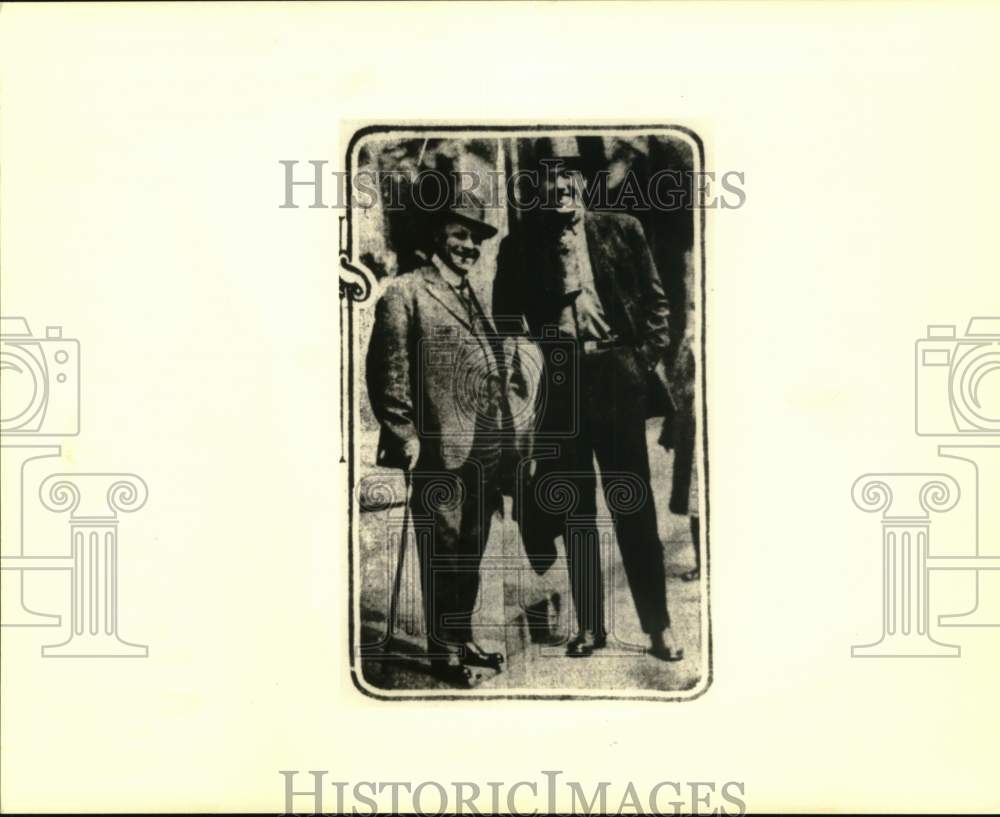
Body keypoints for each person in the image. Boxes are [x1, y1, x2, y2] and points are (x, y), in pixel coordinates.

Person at [494, 141, 684, 662]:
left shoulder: (620, 228)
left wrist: (640, 362)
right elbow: (506, 320)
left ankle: (658, 627)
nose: (558, 192)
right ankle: (590, 626)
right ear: (537, 192)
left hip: (615, 375)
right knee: (575, 509)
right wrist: (525, 370)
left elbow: (655, 301)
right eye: (548, 185)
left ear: (580, 187)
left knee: (632, 505)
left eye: (567, 183)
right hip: (559, 382)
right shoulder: (520, 247)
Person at [365, 195, 509, 686]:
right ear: (437, 239)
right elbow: (390, 371)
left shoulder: (471, 293)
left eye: (476, 239)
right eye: (460, 236)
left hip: (484, 443)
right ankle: (443, 653)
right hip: (437, 445)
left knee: (471, 548)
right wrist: (402, 432)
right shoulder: (405, 292)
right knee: (443, 549)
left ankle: (461, 635)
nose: (469, 246)